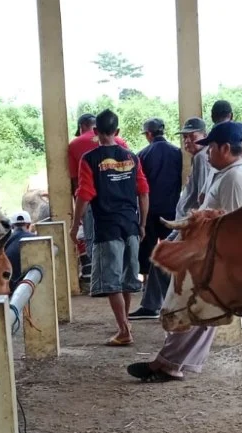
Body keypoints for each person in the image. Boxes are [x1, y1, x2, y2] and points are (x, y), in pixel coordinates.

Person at [127, 121, 242, 382]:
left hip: (216, 259)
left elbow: (235, 227)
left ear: (223, 148)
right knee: (198, 313)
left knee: (195, 309)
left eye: (210, 149)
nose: (207, 154)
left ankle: (168, 362)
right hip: (209, 256)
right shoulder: (227, 173)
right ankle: (170, 362)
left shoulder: (234, 178)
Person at [72, 109, 149, 347]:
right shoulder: (131, 157)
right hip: (131, 225)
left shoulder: (89, 159)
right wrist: (142, 223)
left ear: (95, 132)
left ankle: (124, 330)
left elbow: (84, 194)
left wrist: (75, 225)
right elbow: (144, 192)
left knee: (112, 282)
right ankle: (125, 322)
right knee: (127, 278)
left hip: (108, 227)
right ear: (117, 132)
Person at [68, 112, 130, 293]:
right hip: (121, 204)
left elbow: (75, 181)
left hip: (91, 202)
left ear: (82, 128)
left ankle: (98, 282)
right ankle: (118, 280)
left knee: (93, 240)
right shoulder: (121, 142)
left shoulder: (75, 145)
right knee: (118, 241)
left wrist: (76, 212)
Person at [129, 117, 182, 320]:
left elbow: (140, 188)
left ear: (149, 134)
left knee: (151, 256)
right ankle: (167, 297)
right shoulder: (177, 153)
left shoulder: (142, 155)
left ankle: (152, 301)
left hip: (150, 213)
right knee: (171, 256)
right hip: (173, 212)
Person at [3, 210, 36, 291]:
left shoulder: (4, 242)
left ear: (12, 227)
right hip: (32, 286)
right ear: (28, 226)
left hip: (10, 289)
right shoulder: (37, 240)